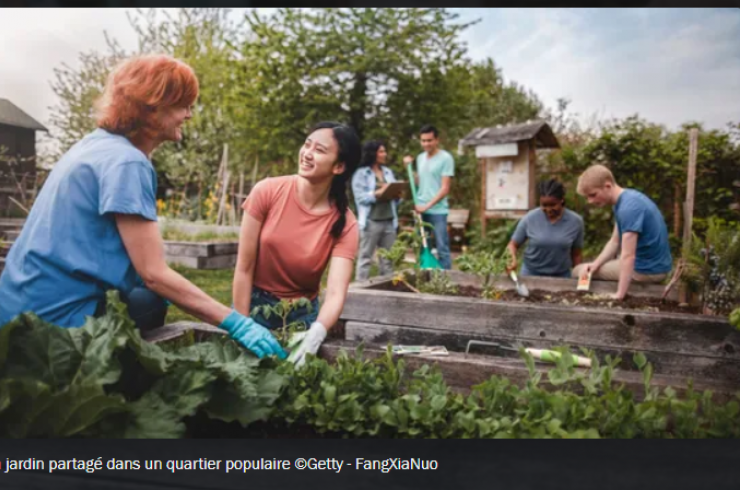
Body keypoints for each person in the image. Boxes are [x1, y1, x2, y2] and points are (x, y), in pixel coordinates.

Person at [0, 54, 286, 361]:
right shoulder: (127, 162)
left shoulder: (93, 145)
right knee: (151, 299)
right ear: (153, 106)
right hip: (55, 326)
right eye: (183, 105)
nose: (189, 115)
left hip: (16, 310)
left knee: (145, 295)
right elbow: (154, 274)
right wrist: (237, 323)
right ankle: (109, 378)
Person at [233, 122, 360, 367]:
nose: (307, 153)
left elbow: (335, 293)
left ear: (339, 166)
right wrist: (242, 324)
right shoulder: (267, 191)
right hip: (255, 306)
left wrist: (317, 333)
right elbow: (243, 268)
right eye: (307, 144)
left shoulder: (346, 224)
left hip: (302, 317)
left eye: (320, 150)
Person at [571, 164, 673, 300]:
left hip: (647, 270)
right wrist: (595, 264)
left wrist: (619, 294)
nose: (590, 201)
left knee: (578, 271)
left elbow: (628, 256)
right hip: (651, 265)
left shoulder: (628, 208)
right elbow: (614, 241)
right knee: (589, 268)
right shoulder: (625, 201)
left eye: (593, 195)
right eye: (587, 197)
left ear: (607, 186)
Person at [507, 179, 584, 278]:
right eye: (544, 205)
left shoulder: (575, 222)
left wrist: (579, 276)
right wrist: (511, 259)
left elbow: (576, 254)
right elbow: (512, 245)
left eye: (552, 205)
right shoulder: (530, 218)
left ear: (562, 200)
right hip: (531, 274)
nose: (548, 209)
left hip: (561, 276)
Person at [402, 125, 455, 269]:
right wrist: (408, 168)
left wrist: (427, 206)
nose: (426, 144)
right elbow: (420, 182)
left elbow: (445, 188)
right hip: (421, 210)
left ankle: (446, 283)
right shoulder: (420, 158)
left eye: (429, 140)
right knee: (421, 247)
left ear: (437, 140)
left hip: (438, 211)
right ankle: (424, 278)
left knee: (442, 248)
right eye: (423, 141)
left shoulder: (446, 158)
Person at [351, 140, 403, 281]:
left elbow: (395, 197)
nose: (384, 154)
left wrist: (398, 195)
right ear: (372, 153)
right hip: (371, 222)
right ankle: (360, 290)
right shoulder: (361, 174)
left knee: (388, 260)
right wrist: (377, 193)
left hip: (389, 221)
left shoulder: (387, 172)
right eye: (381, 151)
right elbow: (360, 198)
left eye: (384, 151)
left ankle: (386, 290)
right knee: (365, 257)